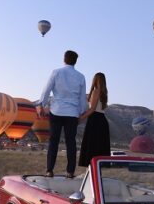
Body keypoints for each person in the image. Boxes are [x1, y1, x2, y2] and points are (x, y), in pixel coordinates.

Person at [37, 50, 87, 178]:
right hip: (72, 113)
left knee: (54, 141)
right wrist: (82, 113)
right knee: (71, 142)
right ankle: (70, 172)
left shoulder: (56, 72)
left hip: (57, 111)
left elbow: (46, 89)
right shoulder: (81, 77)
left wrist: (41, 105)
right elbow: (82, 98)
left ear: (64, 59)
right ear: (75, 61)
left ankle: (49, 170)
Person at [78, 72, 111, 167]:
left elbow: (92, 109)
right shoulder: (104, 93)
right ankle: (96, 170)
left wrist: (80, 118)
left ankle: (91, 171)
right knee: (99, 147)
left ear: (95, 80)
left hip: (95, 120)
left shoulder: (96, 91)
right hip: (102, 120)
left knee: (92, 147)